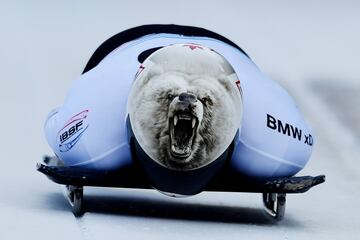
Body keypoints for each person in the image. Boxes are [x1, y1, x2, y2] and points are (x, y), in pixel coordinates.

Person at [44, 24, 314, 183]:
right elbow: (57, 122)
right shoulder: (276, 151)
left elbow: (55, 121)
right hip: (124, 51)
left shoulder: (90, 145)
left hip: (134, 46)